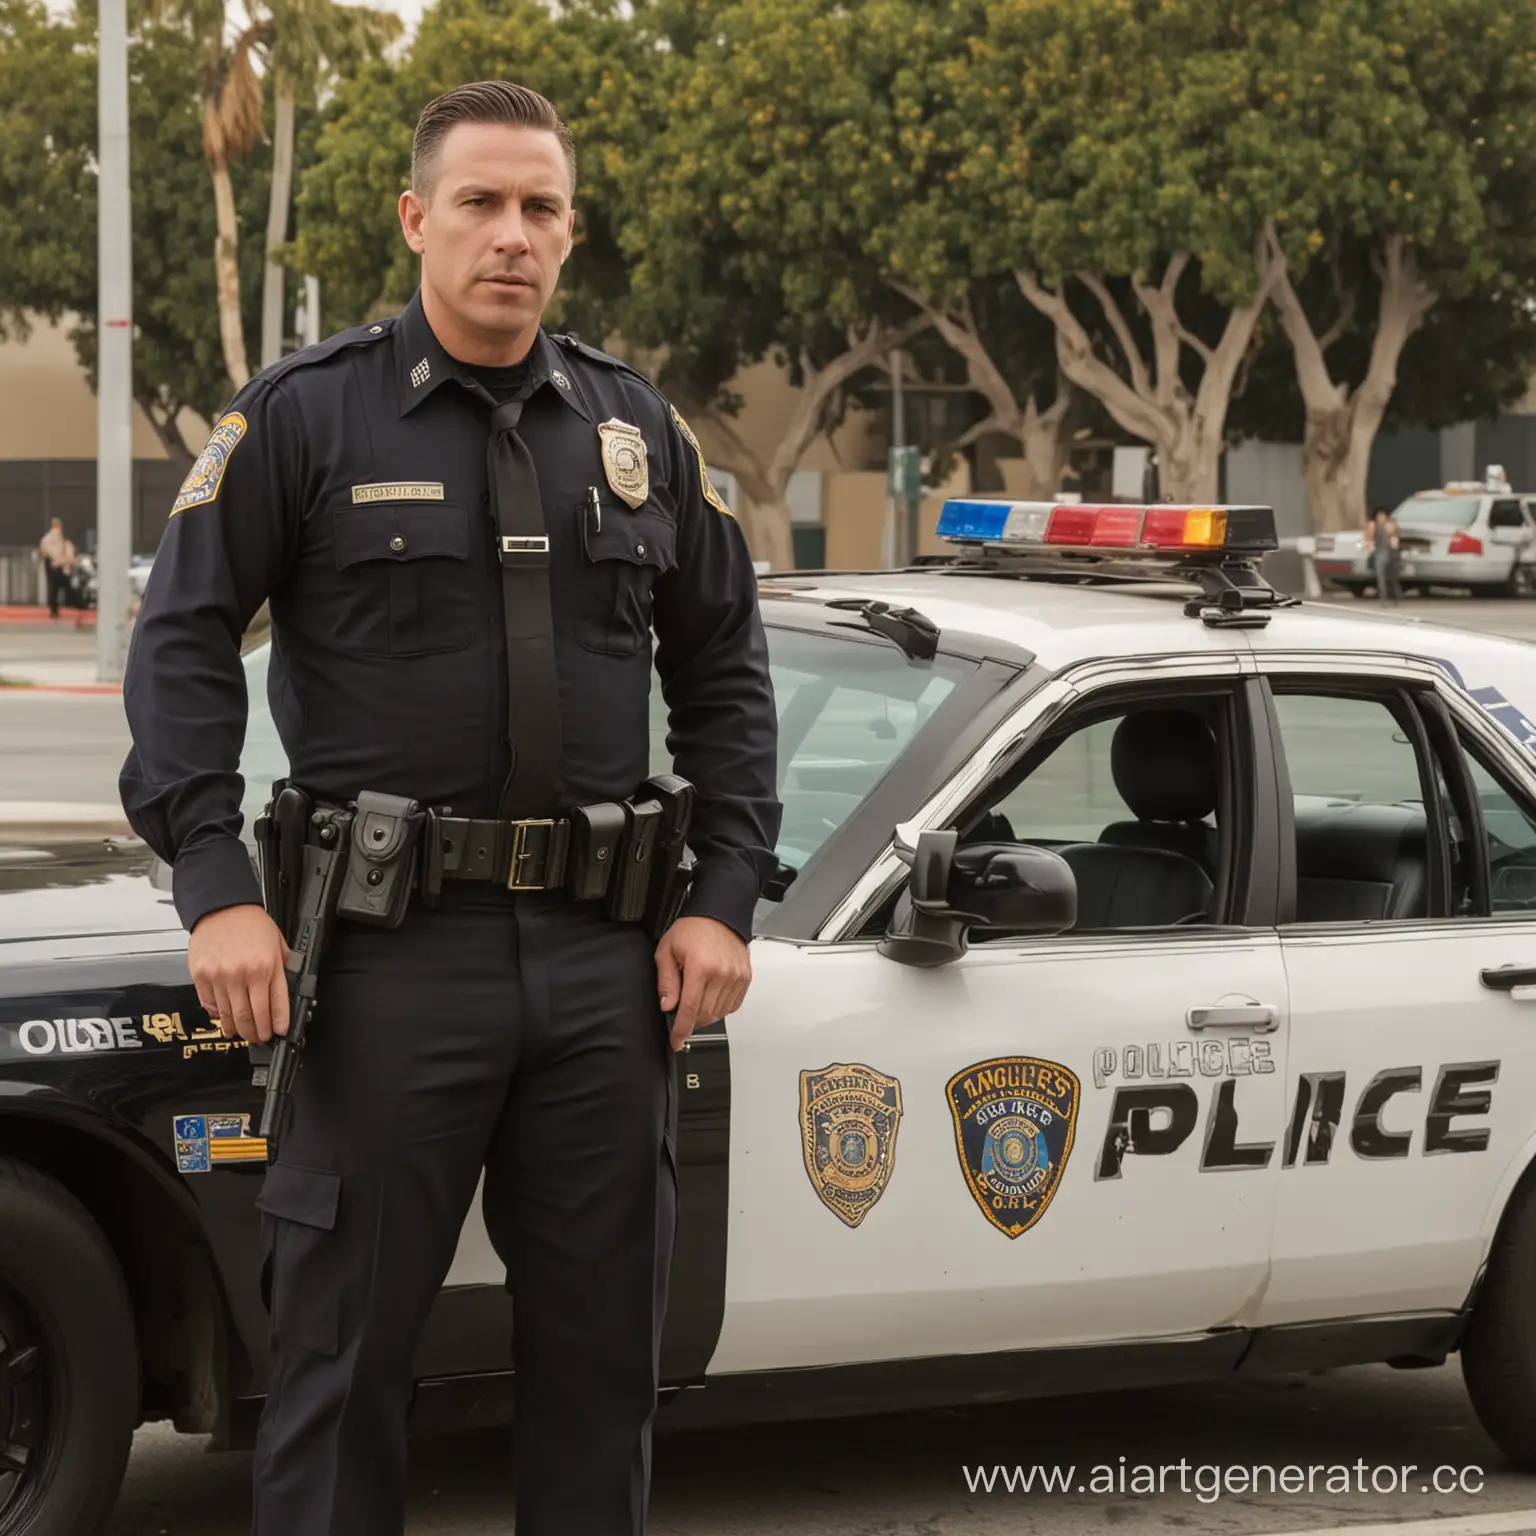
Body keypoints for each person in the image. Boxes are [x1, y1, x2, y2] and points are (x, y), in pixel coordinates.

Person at [118, 80, 780, 1536]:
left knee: (606, 1373)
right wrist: (218, 885)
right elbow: (178, 644)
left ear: (569, 234)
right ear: (418, 218)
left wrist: (725, 894)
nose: (511, 235)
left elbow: (728, 662)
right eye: (480, 203)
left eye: (540, 208)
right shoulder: (305, 415)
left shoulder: (634, 428)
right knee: (342, 1369)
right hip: (385, 964)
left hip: (608, 971)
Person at [37, 517, 73, 620]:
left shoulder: (46, 538)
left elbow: (43, 551)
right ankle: (67, 604)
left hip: (51, 564)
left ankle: (54, 609)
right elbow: (58, 550)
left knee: (53, 588)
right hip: (57, 564)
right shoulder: (58, 537)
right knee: (62, 586)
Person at [1367, 504, 1403, 604]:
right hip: (1379, 553)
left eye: (1383, 516)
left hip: (1390, 553)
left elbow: (1394, 540)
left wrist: (1395, 551)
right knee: (1381, 577)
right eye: (1379, 516)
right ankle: (1383, 596)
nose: (1381, 518)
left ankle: (1395, 595)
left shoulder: (1390, 526)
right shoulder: (1373, 526)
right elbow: (1369, 540)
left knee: (1391, 578)